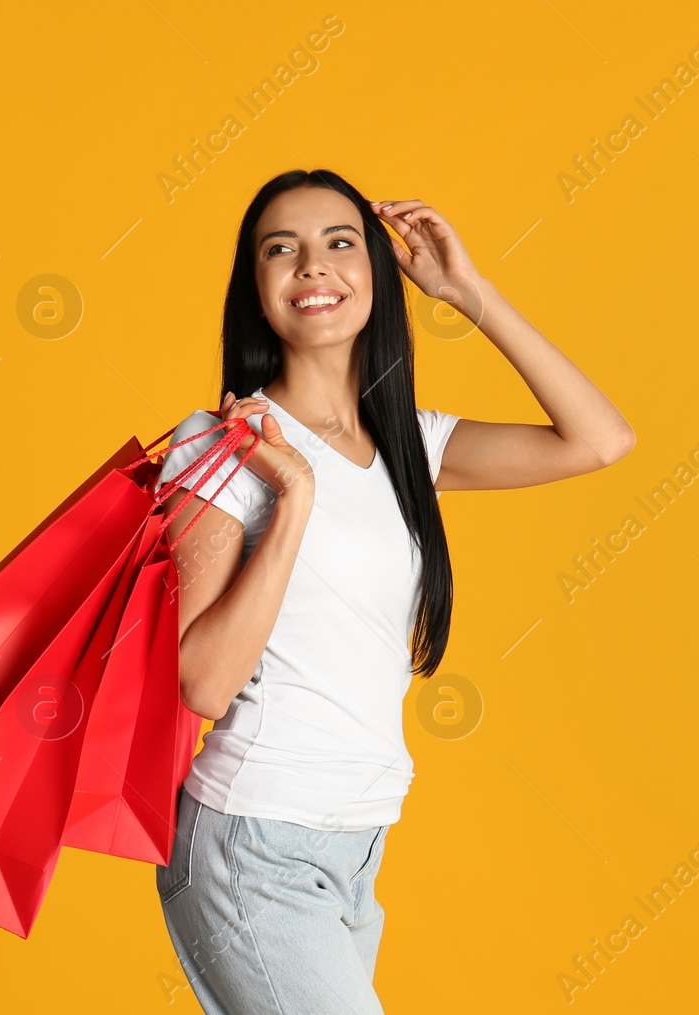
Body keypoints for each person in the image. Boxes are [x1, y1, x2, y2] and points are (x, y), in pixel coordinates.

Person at [153, 169, 635, 1014]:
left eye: (340, 243)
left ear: (378, 270)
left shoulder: (411, 443)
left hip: (359, 841)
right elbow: (202, 681)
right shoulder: (223, 442)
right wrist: (294, 496)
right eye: (282, 249)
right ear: (254, 287)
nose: (313, 266)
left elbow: (599, 439)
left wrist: (467, 290)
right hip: (254, 838)